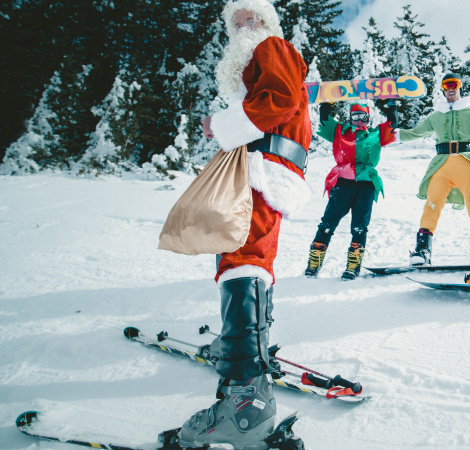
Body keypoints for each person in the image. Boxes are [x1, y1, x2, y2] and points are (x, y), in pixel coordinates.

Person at [174, 1, 309, 448]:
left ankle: (244, 398)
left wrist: (224, 124)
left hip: (261, 169)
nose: (244, 27)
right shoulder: (256, 62)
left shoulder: (273, 46)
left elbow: (282, 99)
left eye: (252, 19)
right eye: (237, 23)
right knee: (252, 262)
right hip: (268, 169)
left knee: (239, 258)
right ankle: (250, 357)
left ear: (268, 23)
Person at [398, 73, 470, 285]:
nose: (451, 88)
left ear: (460, 87)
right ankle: (422, 251)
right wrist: (391, 131)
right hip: (441, 164)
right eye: (447, 86)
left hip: (466, 160)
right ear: (443, 90)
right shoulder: (435, 116)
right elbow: (414, 133)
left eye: (454, 84)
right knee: (432, 204)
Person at [305, 102, 398, 280]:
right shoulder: (340, 131)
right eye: (354, 116)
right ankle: (314, 263)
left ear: (368, 118)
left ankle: (353, 266)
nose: (358, 120)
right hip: (343, 182)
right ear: (349, 117)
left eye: (362, 116)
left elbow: (392, 126)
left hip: (366, 183)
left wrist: (391, 109)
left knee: (359, 227)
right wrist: (327, 103)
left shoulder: (376, 133)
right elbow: (325, 120)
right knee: (327, 224)